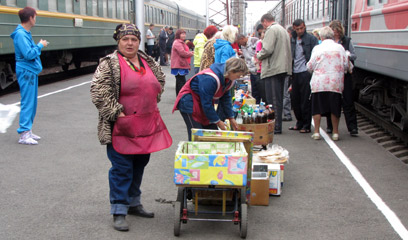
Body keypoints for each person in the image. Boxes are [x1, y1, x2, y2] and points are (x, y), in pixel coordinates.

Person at [90, 23, 172, 232]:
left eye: (134, 39)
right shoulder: (109, 64)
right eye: (125, 39)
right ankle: (119, 210)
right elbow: (99, 92)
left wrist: (151, 101)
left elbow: (160, 81)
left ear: (139, 41)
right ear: (118, 41)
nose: (130, 43)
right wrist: (119, 114)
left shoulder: (147, 60)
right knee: (122, 167)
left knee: (140, 163)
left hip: (145, 124)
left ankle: (134, 203)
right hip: (121, 126)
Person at [173, 58, 248, 140]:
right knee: (197, 133)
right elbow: (206, 103)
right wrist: (218, 122)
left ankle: (207, 150)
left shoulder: (229, 79)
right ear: (232, 70)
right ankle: (195, 150)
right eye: (238, 75)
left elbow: (225, 98)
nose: (238, 78)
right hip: (188, 102)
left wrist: (231, 117)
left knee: (212, 132)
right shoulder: (209, 78)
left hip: (202, 101)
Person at [10, 7, 48, 145]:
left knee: (32, 101)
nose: (35, 19)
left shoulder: (25, 33)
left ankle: (28, 130)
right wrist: (40, 45)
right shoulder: (21, 34)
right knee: (27, 101)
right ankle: (24, 133)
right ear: (31, 18)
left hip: (29, 71)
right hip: (26, 71)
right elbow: (28, 54)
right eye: (35, 17)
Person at [307, 26, 351, 141]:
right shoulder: (340, 48)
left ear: (321, 37)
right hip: (334, 83)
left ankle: (316, 132)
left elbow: (310, 66)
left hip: (319, 83)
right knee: (334, 108)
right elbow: (346, 65)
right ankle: (335, 133)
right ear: (332, 36)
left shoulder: (317, 48)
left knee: (317, 108)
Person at [256, 13, 292, 134]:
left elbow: (267, 49)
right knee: (278, 98)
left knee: (273, 99)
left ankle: (276, 126)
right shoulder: (282, 29)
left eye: (263, 25)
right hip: (281, 67)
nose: (264, 27)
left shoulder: (271, 30)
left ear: (265, 21)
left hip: (273, 68)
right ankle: (276, 125)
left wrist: (258, 56)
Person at [326, 20, 359, 136]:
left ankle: (353, 128)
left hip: (345, 75)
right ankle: (330, 126)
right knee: (332, 101)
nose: (336, 35)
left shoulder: (347, 41)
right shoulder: (328, 42)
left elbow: (354, 55)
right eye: (334, 32)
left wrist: (347, 54)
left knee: (348, 101)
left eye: (338, 32)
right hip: (333, 75)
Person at [289, 19, 318, 133]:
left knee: (305, 99)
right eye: (297, 29)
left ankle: (306, 125)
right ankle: (299, 122)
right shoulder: (292, 39)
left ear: (304, 26)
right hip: (294, 72)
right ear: (294, 28)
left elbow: (314, 55)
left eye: (302, 28)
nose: (300, 31)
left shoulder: (311, 39)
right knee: (295, 99)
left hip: (306, 72)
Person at [239, 34, 262, 104]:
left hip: (259, 70)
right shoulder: (243, 46)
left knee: (261, 91)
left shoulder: (254, 41)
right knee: (254, 92)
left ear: (242, 38)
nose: (239, 44)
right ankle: (255, 106)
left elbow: (258, 54)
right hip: (252, 71)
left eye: (239, 42)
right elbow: (247, 58)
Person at [171, 29, 194, 96]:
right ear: (178, 35)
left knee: (179, 83)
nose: (184, 35)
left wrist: (189, 53)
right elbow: (182, 53)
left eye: (184, 34)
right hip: (179, 65)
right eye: (182, 34)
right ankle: (181, 97)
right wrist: (191, 54)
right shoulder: (178, 43)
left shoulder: (179, 42)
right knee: (181, 83)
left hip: (179, 65)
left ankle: (179, 97)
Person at [283, 26, 294, 121]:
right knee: (285, 92)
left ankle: (287, 113)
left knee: (285, 93)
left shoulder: (290, 43)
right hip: (288, 69)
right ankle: (286, 113)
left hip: (286, 70)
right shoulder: (289, 42)